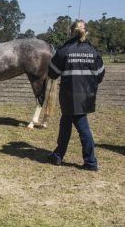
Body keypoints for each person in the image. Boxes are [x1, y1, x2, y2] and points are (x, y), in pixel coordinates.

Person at [47, 20, 105, 171]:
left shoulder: (64, 50)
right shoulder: (93, 51)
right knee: (65, 123)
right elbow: (100, 75)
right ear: (86, 32)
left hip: (68, 96)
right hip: (86, 95)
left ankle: (91, 162)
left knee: (82, 128)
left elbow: (52, 73)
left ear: (71, 32)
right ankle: (58, 155)